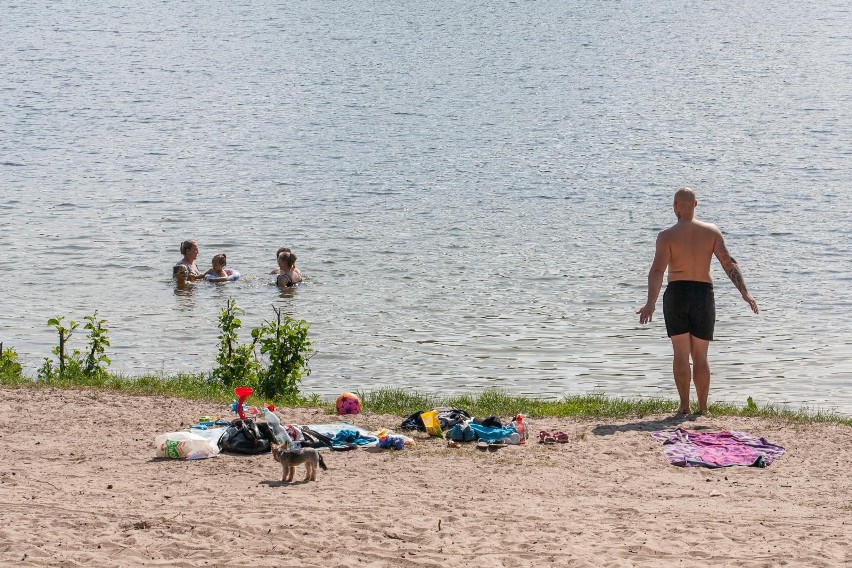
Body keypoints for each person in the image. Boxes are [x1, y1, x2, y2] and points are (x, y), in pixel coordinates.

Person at [637, 187, 759, 415]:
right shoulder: (711, 231)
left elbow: (656, 271)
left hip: (677, 294)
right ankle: (703, 408)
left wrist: (650, 302)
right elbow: (728, 263)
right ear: (695, 205)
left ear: (675, 206)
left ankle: (685, 406)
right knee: (701, 355)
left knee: (681, 353)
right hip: (703, 294)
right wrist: (745, 293)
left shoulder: (666, 236)